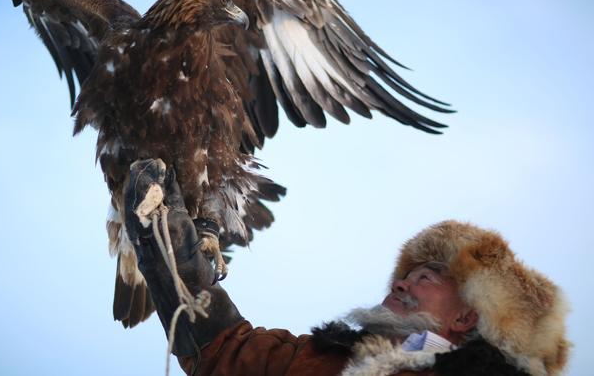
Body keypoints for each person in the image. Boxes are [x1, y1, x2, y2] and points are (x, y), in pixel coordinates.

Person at [124, 160, 570, 376]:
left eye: (427, 277)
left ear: (466, 316)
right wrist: (168, 252)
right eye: (406, 274)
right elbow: (221, 351)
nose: (401, 282)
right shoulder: (317, 360)